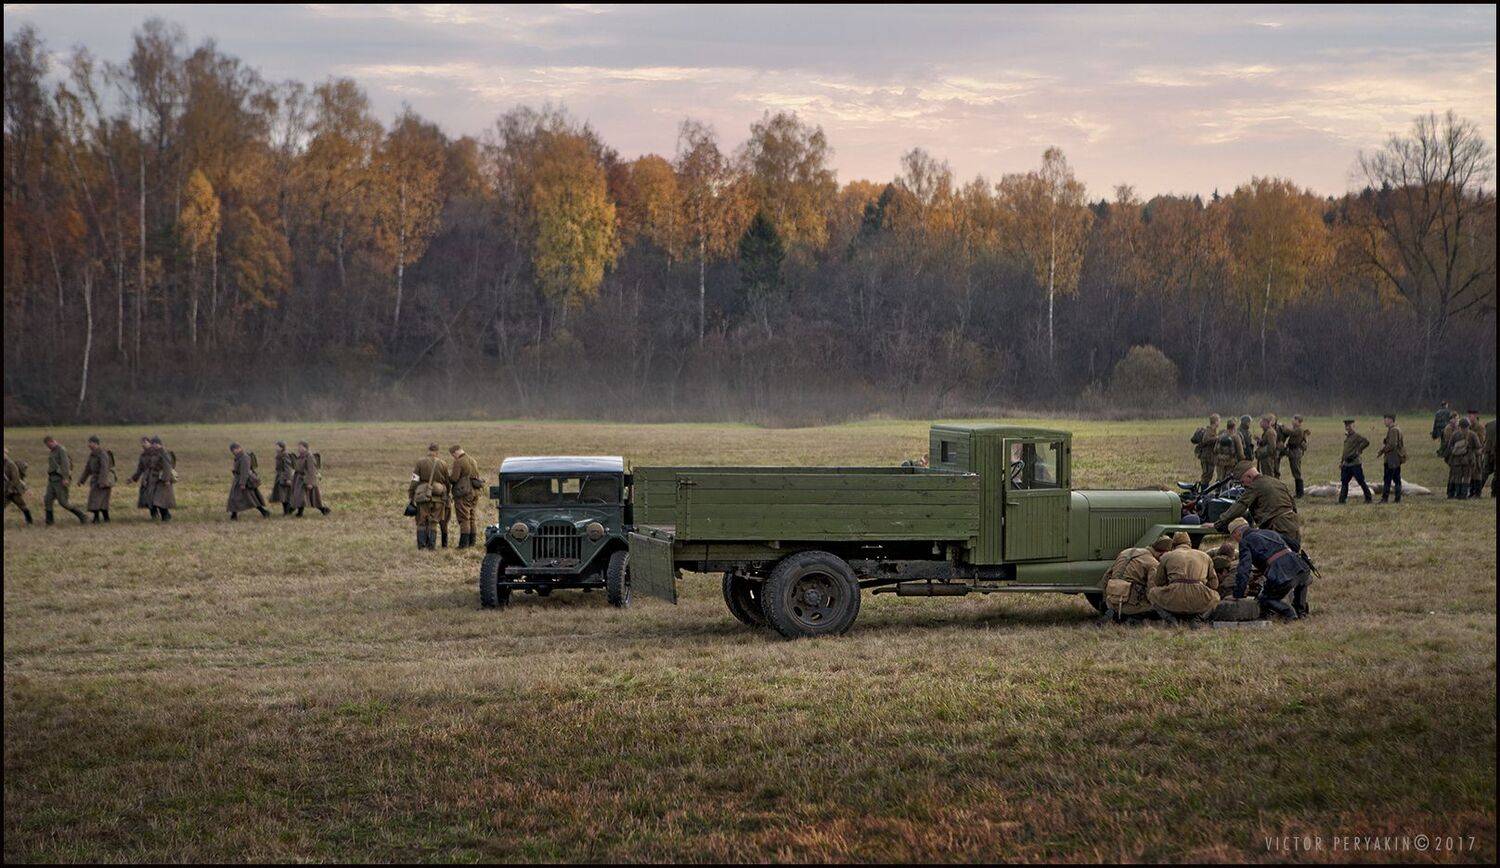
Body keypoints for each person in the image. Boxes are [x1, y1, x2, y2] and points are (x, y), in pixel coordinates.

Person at [1228, 517, 1311, 620]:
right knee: (1301, 582)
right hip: (1301, 568)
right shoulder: (1269, 532)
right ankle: (1301, 612)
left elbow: (1244, 569)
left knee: (1264, 598)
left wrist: (1238, 593)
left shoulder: (1245, 541)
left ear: (1237, 532)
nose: (1234, 540)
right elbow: (1295, 545)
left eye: (1233, 536)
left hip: (1282, 575)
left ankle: (1289, 613)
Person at [1210, 461, 1302, 551]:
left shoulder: (1255, 485)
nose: (1243, 485)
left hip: (1278, 528)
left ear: (1249, 476)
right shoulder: (1277, 482)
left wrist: (1219, 522)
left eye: (1242, 481)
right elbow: (1293, 505)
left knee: (1274, 557)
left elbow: (1241, 505)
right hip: (1293, 525)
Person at [1146, 532, 1218, 625]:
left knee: (1152, 594)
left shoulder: (1167, 556)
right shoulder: (1205, 556)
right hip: (1198, 595)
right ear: (1190, 544)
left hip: (1174, 595)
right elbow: (1214, 584)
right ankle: (1198, 619)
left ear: (1173, 545)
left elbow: (1159, 582)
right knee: (1216, 597)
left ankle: (1171, 620)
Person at [1101, 536, 1171, 623]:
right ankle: (1132, 617)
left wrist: (1106, 601)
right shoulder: (1153, 562)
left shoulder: (1125, 552)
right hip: (1132, 605)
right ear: (1162, 554)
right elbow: (1152, 591)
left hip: (1111, 601)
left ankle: (1114, 612)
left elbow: (1106, 577)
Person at [408, 443, 449, 550]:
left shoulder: (420, 462)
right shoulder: (443, 464)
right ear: (437, 452)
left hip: (423, 497)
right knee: (434, 521)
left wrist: (411, 494)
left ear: (428, 450)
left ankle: (421, 546)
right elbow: (447, 482)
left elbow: (414, 481)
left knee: (421, 522)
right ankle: (432, 546)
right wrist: (447, 494)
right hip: (438, 498)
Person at [42, 436, 88, 525]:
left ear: (52, 441)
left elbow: (65, 464)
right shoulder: (53, 451)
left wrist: (65, 478)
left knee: (63, 502)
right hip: (52, 480)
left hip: (60, 479)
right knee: (47, 499)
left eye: (48, 445)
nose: (48, 447)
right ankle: (49, 522)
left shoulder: (61, 450)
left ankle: (82, 516)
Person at [448, 444, 483, 549]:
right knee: (472, 517)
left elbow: (454, 478)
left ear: (455, 452)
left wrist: (447, 478)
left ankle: (464, 544)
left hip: (464, 493)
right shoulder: (473, 460)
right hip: (475, 492)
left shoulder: (459, 462)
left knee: (464, 519)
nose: (453, 457)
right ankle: (472, 543)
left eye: (453, 455)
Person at [227, 443, 270, 520]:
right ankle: (234, 515)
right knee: (235, 498)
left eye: (234, 450)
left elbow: (245, 471)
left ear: (239, 448)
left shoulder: (244, 457)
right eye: (232, 451)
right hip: (238, 480)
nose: (233, 452)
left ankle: (264, 512)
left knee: (250, 499)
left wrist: (242, 483)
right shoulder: (239, 457)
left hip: (244, 481)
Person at [77, 435, 115, 523]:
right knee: (95, 500)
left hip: (103, 480)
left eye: (90, 443)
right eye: (89, 443)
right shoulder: (92, 455)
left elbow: (104, 468)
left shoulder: (102, 454)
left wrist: (102, 482)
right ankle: (101, 518)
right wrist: (81, 480)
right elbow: (87, 469)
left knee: (100, 500)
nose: (89, 445)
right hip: (95, 480)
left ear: (96, 443)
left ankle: (101, 518)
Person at [290, 441, 330, 516]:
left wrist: (310, 483)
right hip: (299, 480)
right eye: (298, 447)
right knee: (300, 496)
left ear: (305, 448)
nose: (298, 448)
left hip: (306, 479)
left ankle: (324, 509)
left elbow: (311, 470)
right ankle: (299, 512)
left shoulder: (309, 457)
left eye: (300, 447)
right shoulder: (300, 457)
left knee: (313, 498)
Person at [1445, 418, 1481, 500]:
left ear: (1459, 426)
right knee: (1467, 477)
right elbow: (1478, 448)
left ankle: (1457, 494)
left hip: (1456, 461)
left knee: (1457, 477)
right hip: (1468, 460)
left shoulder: (1455, 434)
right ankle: (1464, 495)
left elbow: (1449, 447)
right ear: (1468, 425)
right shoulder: (1472, 434)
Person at [1338, 419, 1372, 504]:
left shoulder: (1356, 436)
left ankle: (1368, 498)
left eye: (1349, 426)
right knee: (1344, 482)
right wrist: (1341, 462)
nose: (1347, 427)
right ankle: (1342, 500)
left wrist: (1359, 450)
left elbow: (1366, 442)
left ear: (1353, 426)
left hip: (1355, 463)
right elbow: (1345, 451)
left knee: (1361, 481)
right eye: (1346, 426)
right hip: (1346, 464)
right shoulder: (1347, 437)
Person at [144, 436, 177, 521]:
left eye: (154, 444)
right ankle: (165, 516)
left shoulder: (164, 453)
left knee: (159, 500)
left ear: (159, 444)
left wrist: (166, 479)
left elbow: (167, 467)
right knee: (156, 500)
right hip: (155, 480)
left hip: (162, 480)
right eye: (152, 444)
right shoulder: (155, 453)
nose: (153, 446)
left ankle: (166, 516)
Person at [1375, 414, 1406, 503]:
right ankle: (1397, 498)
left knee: (1387, 479)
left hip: (1392, 458)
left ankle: (1385, 498)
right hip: (1396, 458)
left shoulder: (1393, 430)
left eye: (1386, 419)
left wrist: (1383, 450)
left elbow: (1392, 444)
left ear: (1391, 420)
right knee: (1397, 479)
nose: (1384, 421)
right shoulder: (1396, 429)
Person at [128, 436, 158, 519]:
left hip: (155, 478)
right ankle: (154, 515)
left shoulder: (156, 453)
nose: (143, 444)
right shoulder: (143, 456)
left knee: (156, 497)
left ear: (150, 443)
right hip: (146, 479)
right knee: (147, 498)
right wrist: (133, 478)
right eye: (142, 442)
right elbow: (140, 469)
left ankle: (163, 514)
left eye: (145, 442)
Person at [3, 446, 33, 526]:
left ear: (6, 454)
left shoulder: (11, 464)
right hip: (6, 489)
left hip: (14, 490)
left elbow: (15, 478)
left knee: (22, 505)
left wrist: (10, 489)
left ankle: (30, 521)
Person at [1282, 415, 1309, 498]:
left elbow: (1290, 432)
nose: (1292, 421)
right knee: (1295, 471)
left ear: (1298, 421)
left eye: (1294, 420)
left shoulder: (1299, 430)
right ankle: (1299, 492)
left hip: (1295, 452)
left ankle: (1300, 493)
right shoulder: (1296, 429)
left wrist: (1283, 427)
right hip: (1293, 451)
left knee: (1296, 472)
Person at [1191, 414, 1220, 488]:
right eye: (1218, 420)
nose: (1219, 422)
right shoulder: (1209, 430)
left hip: (1210, 457)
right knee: (1206, 476)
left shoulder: (1213, 430)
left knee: (1208, 475)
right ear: (1215, 422)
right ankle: (1203, 493)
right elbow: (1205, 440)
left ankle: (1204, 492)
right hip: (1206, 457)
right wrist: (1216, 438)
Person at [269, 441, 295, 515]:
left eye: (277, 446)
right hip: (279, 477)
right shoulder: (279, 455)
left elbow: (288, 468)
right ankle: (287, 511)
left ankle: (288, 511)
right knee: (282, 495)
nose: (276, 448)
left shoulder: (285, 455)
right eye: (276, 446)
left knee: (285, 495)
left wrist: (288, 479)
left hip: (284, 477)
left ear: (282, 447)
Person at [1467, 410, 1487, 497]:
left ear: (1475, 416)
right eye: (1468, 416)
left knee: (1478, 472)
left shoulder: (1480, 427)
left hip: (1477, 452)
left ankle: (1478, 493)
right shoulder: (1469, 427)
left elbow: (1481, 441)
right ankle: (1471, 492)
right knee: (1471, 473)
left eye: (1470, 416)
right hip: (1470, 453)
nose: (1469, 417)